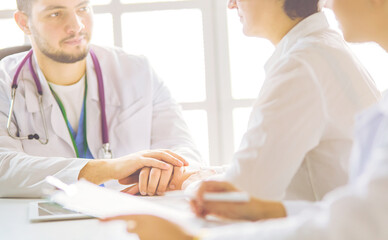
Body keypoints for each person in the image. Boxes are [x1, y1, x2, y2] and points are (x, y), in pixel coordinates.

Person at [102, 0, 388, 239]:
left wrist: (190, 196)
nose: (230, 4)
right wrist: (197, 177)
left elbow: (240, 195)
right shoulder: (321, 50)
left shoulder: (302, 64)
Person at [0, 0, 202, 198]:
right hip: (38, 224)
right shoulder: (5, 82)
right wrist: (109, 169)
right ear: (24, 23)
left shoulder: (137, 71)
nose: (77, 26)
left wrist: (163, 172)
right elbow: (3, 167)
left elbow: (183, 150)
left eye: (83, 8)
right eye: (55, 13)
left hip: (132, 216)